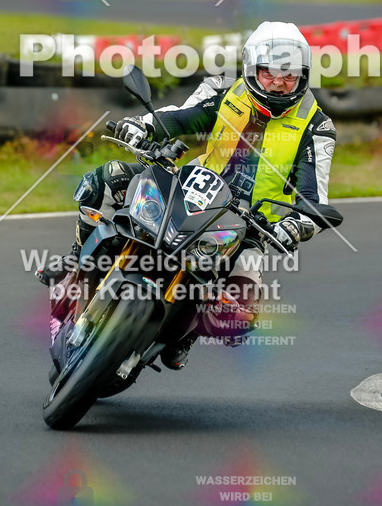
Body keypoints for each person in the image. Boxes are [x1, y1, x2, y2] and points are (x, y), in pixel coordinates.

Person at [46, 21, 337, 369]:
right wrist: (144, 126)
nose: (278, 83)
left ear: (303, 76)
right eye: (269, 73)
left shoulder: (317, 126)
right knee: (103, 181)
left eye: (289, 76)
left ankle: (186, 332)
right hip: (192, 188)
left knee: (237, 318)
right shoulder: (225, 88)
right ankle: (74, 271)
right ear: (251, 69)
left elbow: (313, 197)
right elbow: (183, 117)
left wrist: (295, 225)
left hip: (251, 227)